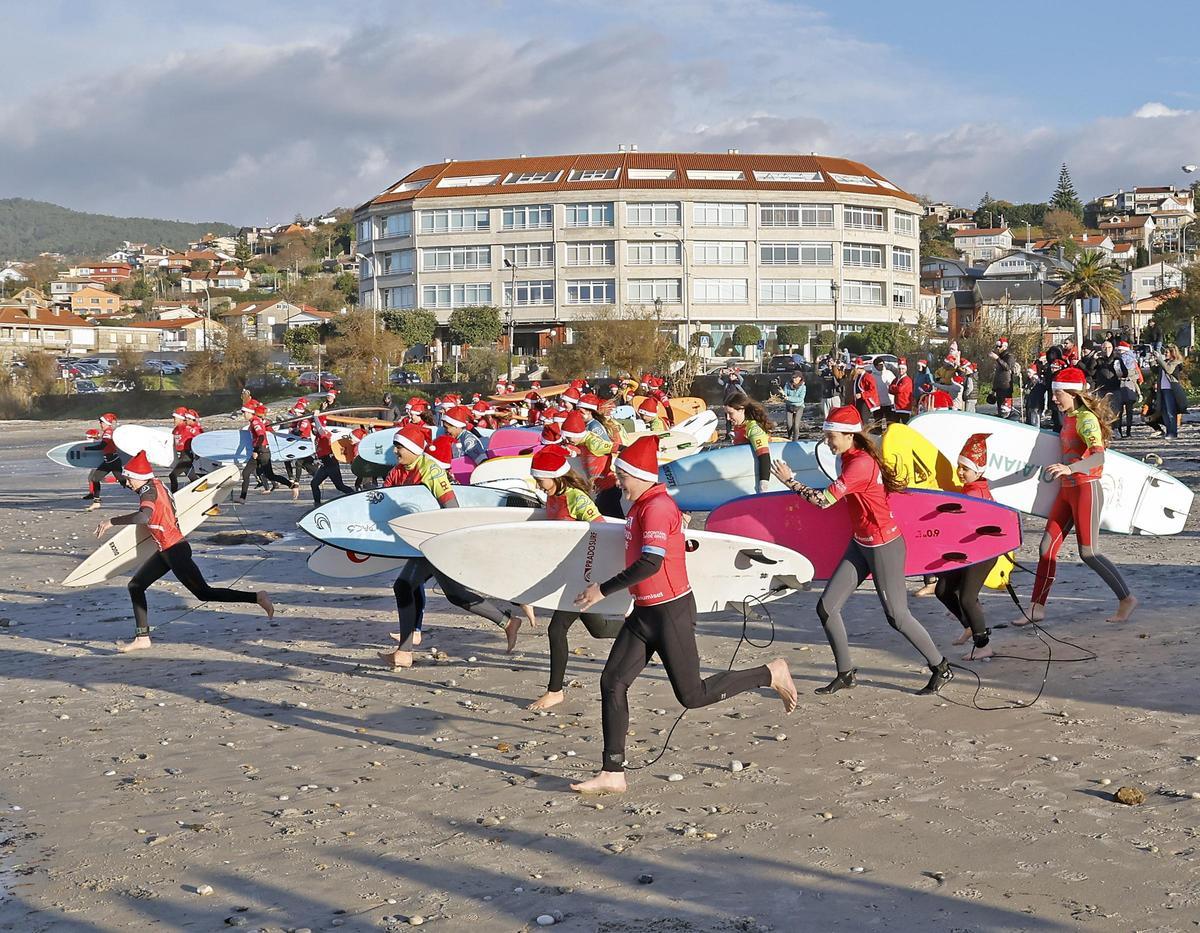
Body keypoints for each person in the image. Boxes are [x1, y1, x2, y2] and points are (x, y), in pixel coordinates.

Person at [569, 435, 798, 794]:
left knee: (693, 695)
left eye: (622, 476)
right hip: (644, 612)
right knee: (612, 682)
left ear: (640, 475)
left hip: (670, 611)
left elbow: (651, 562)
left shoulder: (657, 507)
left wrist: (603, 590)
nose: (619, 482)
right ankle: (613, 772)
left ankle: (770, 673)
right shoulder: (639, 505)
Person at [770, 405, 953, 696]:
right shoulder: (848, 457)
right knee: (826, 607)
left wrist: (790, 481)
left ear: (849, 435)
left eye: (831, 437)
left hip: (883, 545)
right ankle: (846, 674)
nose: (827, 442)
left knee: (897, 616)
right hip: (861, 543)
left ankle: (941, 667)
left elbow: (824, 501)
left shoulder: (860, 464)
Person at [378, 425, 528, 668]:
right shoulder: (397, 471)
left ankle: (404, 652)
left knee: (404, 586)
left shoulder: (430, 471)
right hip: (416, 541)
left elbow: (451, 508)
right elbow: (385, 503)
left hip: (435, 539)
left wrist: (447, 543)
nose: (395, 451)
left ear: (414, 449)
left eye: (400, 446)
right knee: (455, 595)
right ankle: (508, 622)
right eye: (395, 446)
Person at [95, 451, 273, 653]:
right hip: (166, 550)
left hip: (175, 551)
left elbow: (143, 517)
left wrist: (111, 521)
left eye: (129, 479)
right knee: (136, 586)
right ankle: (142, 638)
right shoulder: (156, 484)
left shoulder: (148, 491)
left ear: (139, 477)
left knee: (204, 593)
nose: (127, 483)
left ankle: (257, 597)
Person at [1017, 367, 1137, 626]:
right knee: (1046, 547)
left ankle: (1126, 599)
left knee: (1089, 553)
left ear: (1073, 393)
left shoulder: (1086, 419)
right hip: (1067, 490)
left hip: (1086, 489)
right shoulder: (1068, 417)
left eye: (1058, 394)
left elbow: (1099, 457)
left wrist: (1069, 469)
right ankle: (1036, 607)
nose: (1054, 399)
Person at [526, 445, 625, 711]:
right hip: (568, 571)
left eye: (539, 479)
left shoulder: (576, 499)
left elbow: (603, 533)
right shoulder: (552, 498)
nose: (537, 484)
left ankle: (555, 691)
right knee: (599, 629)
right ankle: (644, 629)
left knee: (556, 629)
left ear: (554, 476)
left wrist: (597, 576)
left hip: (582, 573)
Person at [933, 433, 998, 660]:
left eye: (965, 468)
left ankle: (983, 645)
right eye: (958, 467)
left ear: (978, 471)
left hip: (984, 553)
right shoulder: (972, 488)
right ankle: (970, 627)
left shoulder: (974, 493)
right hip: (969, 551)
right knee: (943, 590)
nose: (960, 472)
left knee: (967, 598)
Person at [562, 410, 623, 518]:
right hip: (601, 488)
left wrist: (622, 472)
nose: (567, 439)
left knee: (608, 520)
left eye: (569, 436)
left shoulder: (593, 443)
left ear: (577, 434)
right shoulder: (581, 441)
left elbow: (619, 447)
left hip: (608, 488)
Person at [238, 400, 300, 502]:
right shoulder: (253, 421)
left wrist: (256, 450)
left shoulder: (255, 422)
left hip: (262, 452)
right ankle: (242, 498)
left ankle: (292, 486)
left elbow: (261, 436)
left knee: (270, 475)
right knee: (246, 473)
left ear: (249, 412)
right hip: (260, 451)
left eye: (244, 412)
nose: (243, 415)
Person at [723, 392, 773, 493]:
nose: (728, 418)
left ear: (741, 410)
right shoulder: (739, 426)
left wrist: (763, 487)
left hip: (755, 481)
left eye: (730, 413)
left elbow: (764, 457)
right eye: (726, 414)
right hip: (744, 477)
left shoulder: (753, 429)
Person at [309, 408, 354, 505]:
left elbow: (320, 429)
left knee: (339, 486)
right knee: (314, 484)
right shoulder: (317, 437)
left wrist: (316, 417)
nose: (313, 429)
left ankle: (354, 495)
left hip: (331, 464)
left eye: (314, 427)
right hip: (324, 465)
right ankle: (317, 503)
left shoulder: (324, 434)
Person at [84, 412, 126, 510]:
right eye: (100, 422)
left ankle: (143, 491)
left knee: (124, 482)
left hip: (113, 462)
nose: (100, 424)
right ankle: (96, 502)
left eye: (102, 422)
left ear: (107, 423)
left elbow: (102, 446)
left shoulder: (108, 432)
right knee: (95, 478)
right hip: (108, 461)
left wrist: (86, 448)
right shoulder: (107, 432)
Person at [1150, 345, 1185, 440]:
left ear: (1172, 353)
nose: (1165, 354)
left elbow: (1168, 370)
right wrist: (1152, 360)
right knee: (1164, 412)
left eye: (1167, 352)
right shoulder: (1165, 362)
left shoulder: (1176, 362)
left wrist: (1159, 359)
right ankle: (1168, 431)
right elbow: (1155, 370)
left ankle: (1173, 433)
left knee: (1171, 412)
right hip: (1162, 389)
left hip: (1171, 390)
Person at [167, 406, 197, 493]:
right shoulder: (175, 430)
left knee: (172, 476)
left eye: (175, 418)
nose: (174, 420)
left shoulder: (188, 429)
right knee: (193, 479)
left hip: (187, 456)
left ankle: (174, 495)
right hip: (181, 457)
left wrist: (198, 453)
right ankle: (203, 491)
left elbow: (199, 437)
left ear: (181, 419)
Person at [1116, 340, 1142, 438]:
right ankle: (1124, 431)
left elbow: (1135, 374)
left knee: (1124, 410)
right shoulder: (1129, 359)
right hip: (1126, 386)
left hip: (1126, 385)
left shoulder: (1127, 360)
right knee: (1124, 410)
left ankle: (1125, 431)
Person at [988, 338, 1016, 418]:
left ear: (1004, 346)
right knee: (1000, 409)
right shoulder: (1000, 358)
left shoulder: (1009, 356)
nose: (997, 348)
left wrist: (997, 358)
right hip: (999, 387)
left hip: (1006, 387)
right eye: (996, 347)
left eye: (999, 347)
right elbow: (997, 375)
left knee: (1006, 409)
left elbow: (1007, 367)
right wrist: (994, 389)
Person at [782, 371, 807, 440]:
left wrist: (788, 398)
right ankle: (789, 437)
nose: (794, 379)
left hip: (799, 407)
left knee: (796, 425)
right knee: (789, 424)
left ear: (800, 378)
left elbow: (800, 399)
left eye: (796, 378)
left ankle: (795, 440)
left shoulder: (803, 387)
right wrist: (783, 396)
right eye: (793, 377)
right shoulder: (787, 385)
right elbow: (784, 394)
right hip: (789, 406)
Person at [870, 357, 894, 425]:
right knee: (878, 421)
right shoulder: (871, 376)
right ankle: (878, 430)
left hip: (889, 402)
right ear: (875, 366)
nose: (882, 366)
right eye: (880, 365)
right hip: (878, 403)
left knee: (890, 421)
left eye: (883, 364)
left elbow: (894, 384)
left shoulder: (889, 373)